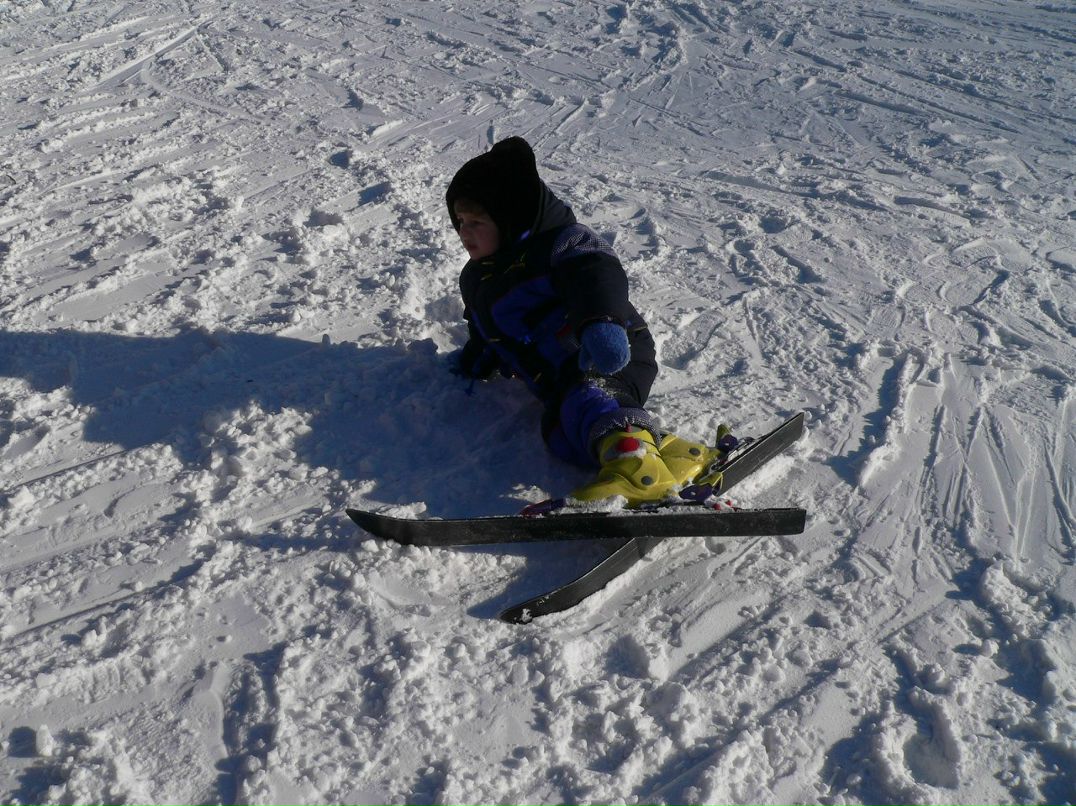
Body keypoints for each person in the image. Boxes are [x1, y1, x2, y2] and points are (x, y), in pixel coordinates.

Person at [446, 137, 725, 506]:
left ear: (510, 219)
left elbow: (595, 273)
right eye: (460, 221)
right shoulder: (477, 278)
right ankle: (673, 453)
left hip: (603, 351)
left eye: (477, 222)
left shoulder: (559, 244)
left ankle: (635, 465)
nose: (465, 232)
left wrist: (601, 322)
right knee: (562, 432)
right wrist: (478, 358)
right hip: (558, 378)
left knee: (589, 399)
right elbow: (485, 326)